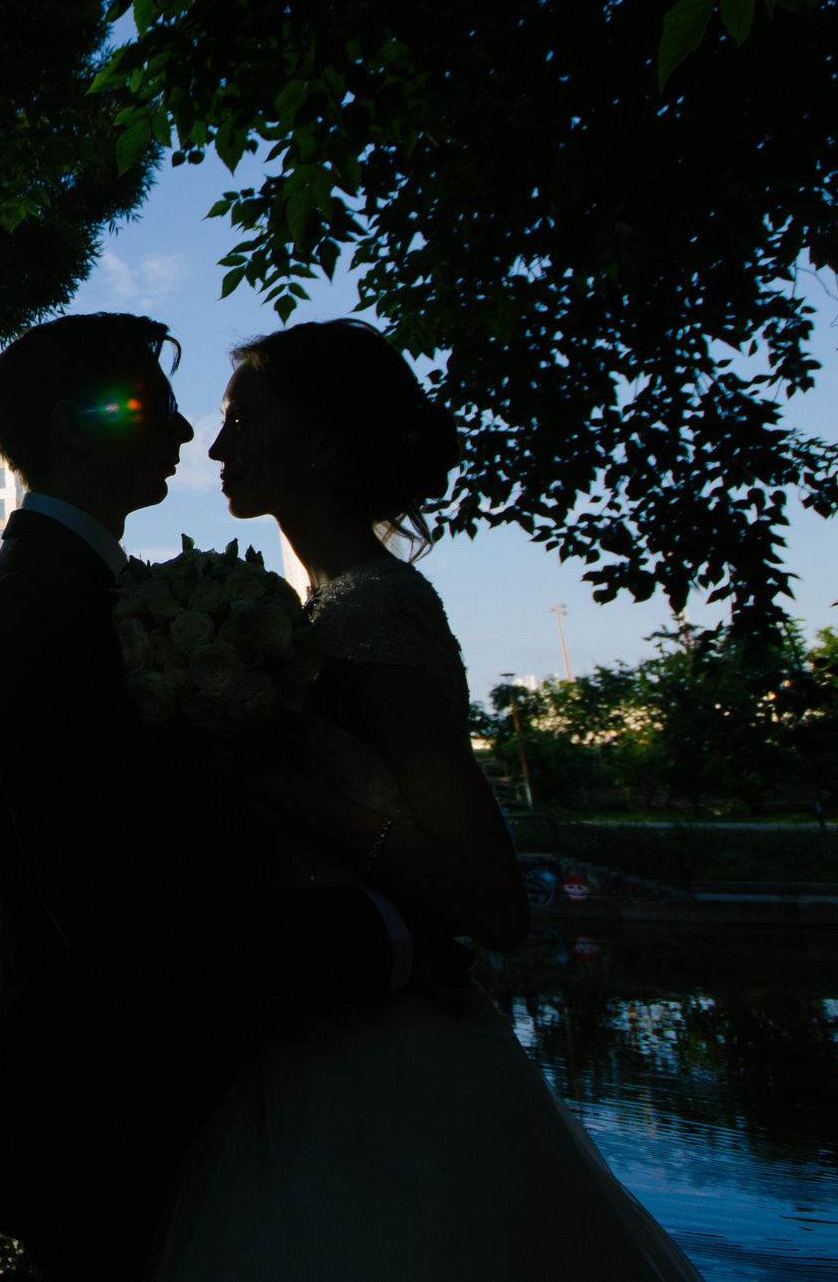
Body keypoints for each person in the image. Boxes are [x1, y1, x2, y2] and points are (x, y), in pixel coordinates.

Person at [145, 319, 703, 1281]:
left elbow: (493, 898)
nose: (218, 444)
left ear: (321, 443)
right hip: (313, 1033)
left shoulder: (370, 610)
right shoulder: (313, 614)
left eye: (243, 417)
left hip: (387, 1070)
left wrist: (260, 775)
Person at [0, 314, 442, 1282]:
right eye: (154, 406)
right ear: (70, 426)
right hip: (110, 1127)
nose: (186, 436)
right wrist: (387, 941)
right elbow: (121, 914)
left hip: (192, 1120)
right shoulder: (38, 610)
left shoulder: (103, 597)